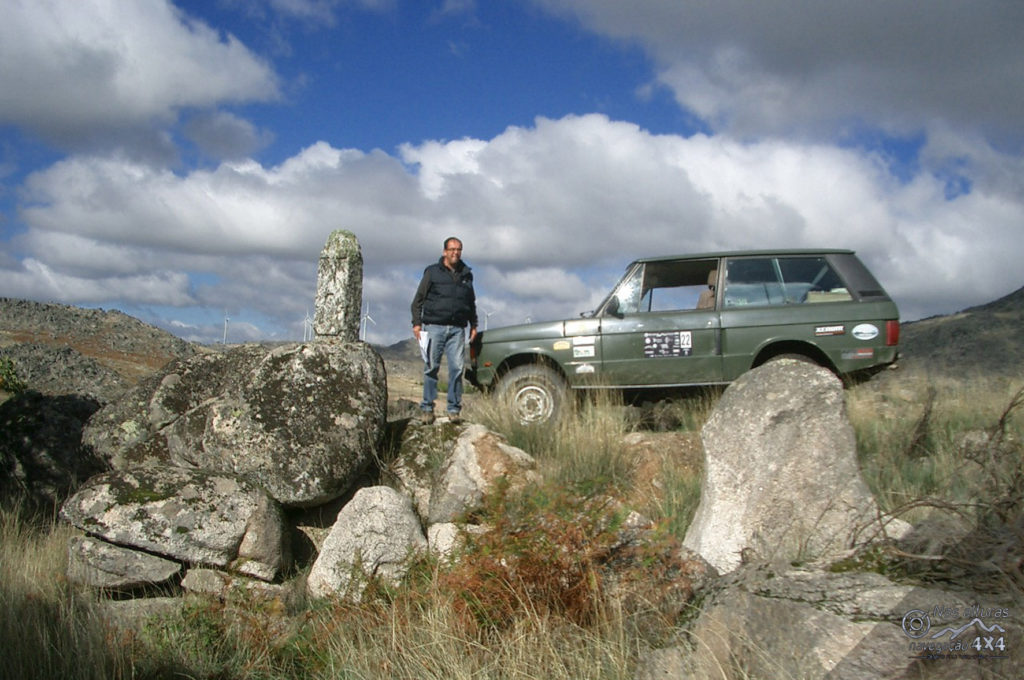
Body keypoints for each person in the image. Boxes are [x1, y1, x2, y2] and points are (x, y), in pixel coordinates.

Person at [411, 236, 478, 424]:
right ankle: (426, 408)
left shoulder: (467, 274)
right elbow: (418, 300)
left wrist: (474, 324)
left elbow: (471, 302)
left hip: (457, 329)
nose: (455, 252)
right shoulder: (432, 273)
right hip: (434, 327)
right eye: (452, 249)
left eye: (459, 249)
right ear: (444, 252)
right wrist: (416, 324)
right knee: (431, 368)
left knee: (457, 369)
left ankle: (454, 410)